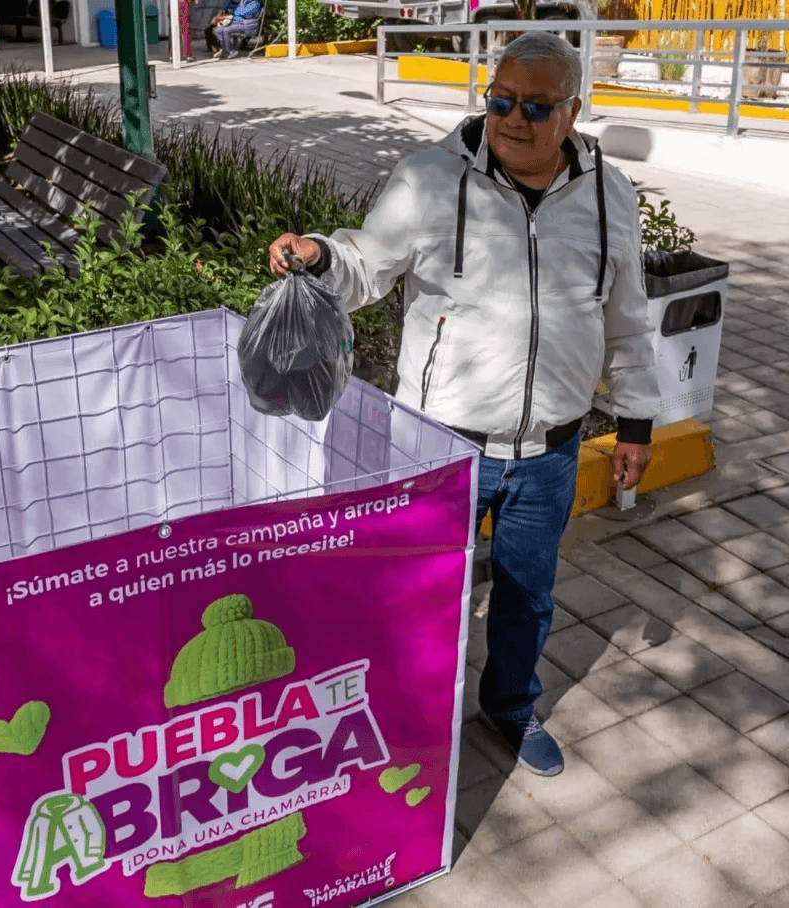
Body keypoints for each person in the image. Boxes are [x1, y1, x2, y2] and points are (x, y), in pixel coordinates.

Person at [268, 33, 659, 778]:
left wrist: (636, 424)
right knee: (415, 594)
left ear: (573, 111)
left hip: (550, 449)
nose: (514, 118)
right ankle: (404, 716)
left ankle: (509, 707)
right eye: (501, 99)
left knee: (527, 597)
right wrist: (320, 255)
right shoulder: (428, 178)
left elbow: (628, 320)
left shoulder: (610, 195)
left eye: (536, 106)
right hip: (440, 444)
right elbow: (362, 265)